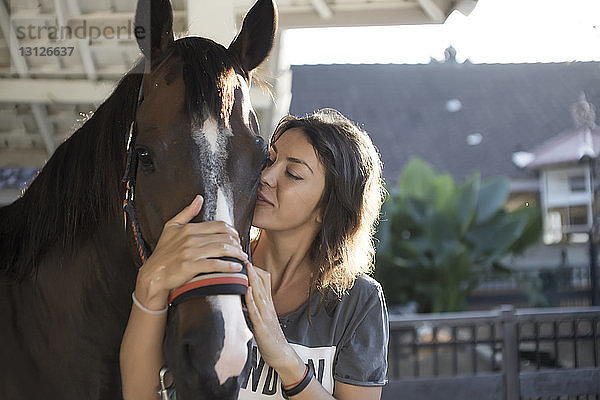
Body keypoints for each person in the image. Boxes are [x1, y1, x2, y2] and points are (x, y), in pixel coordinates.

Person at [120, 108, 389, 400]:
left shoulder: (358, 302)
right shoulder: (210, 260)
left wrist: (286, 359)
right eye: (269, 160)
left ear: (328, 208)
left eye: (293, 173)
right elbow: (140, 394)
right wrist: (150, 284)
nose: (266, 176)